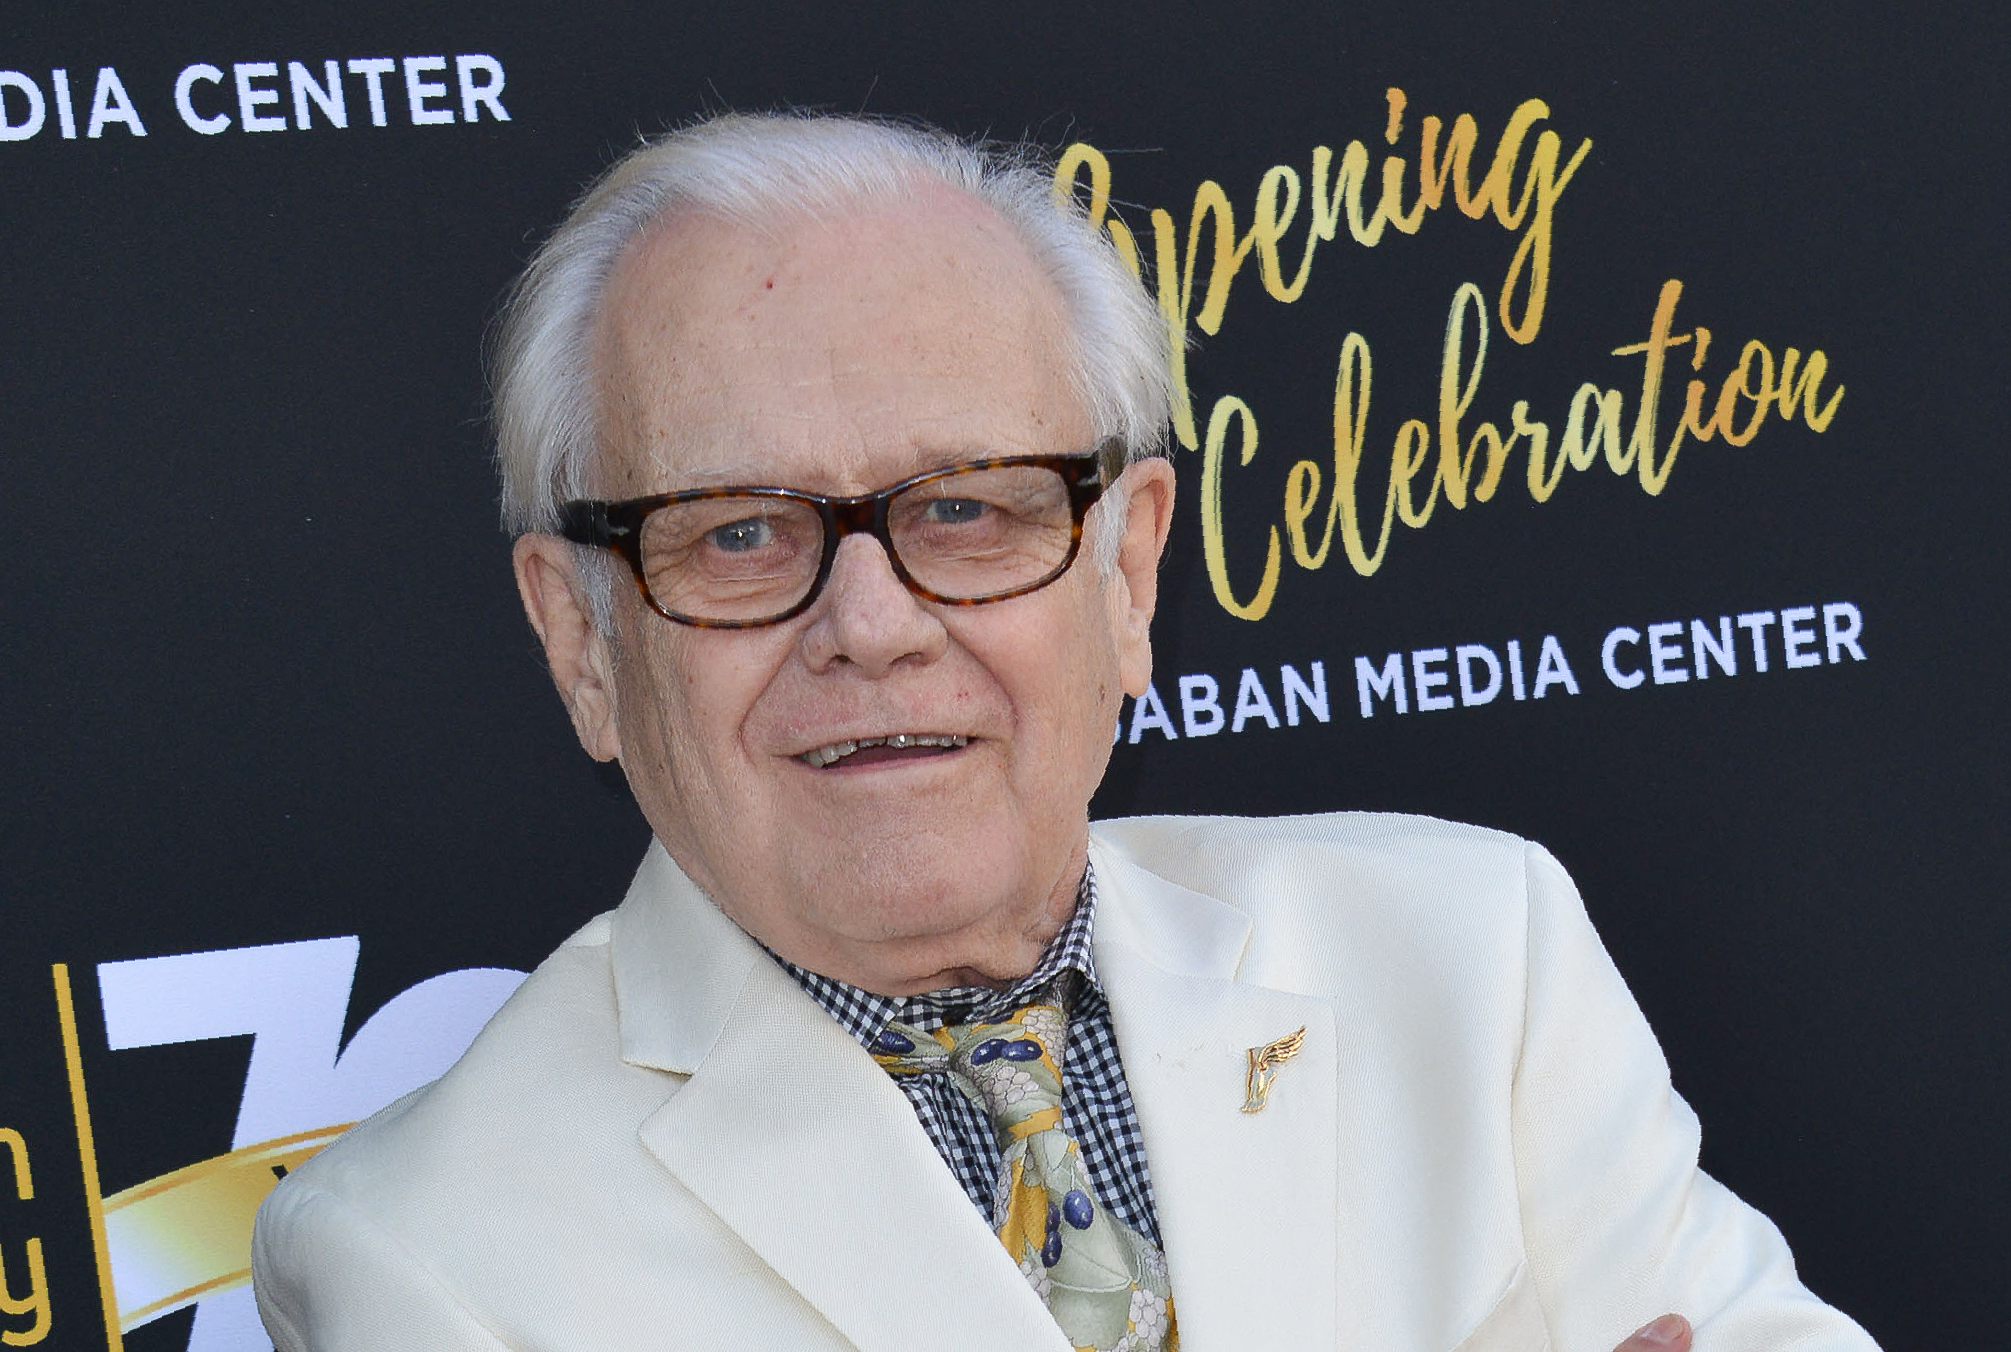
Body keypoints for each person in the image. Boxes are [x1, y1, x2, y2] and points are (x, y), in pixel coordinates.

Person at [250, 112, 1878, 1352]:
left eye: (966, 508)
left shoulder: (1471, 953)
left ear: (1130, 571)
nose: (872, 623)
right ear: (579, 639)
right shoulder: (428, 1256)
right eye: (735, 532)